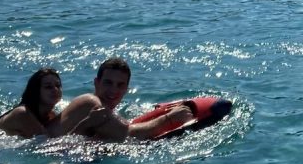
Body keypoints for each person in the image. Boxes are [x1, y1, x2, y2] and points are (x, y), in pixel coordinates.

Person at [45, 56, 193, 141]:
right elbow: (126, 134)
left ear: (127, 89)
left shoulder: (107, 111)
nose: (113, 90)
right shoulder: (92, 103)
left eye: (120, 85)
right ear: (96, 83)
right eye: (108, 83)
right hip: (43, 152)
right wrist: (169, 118)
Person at [0, 67, 64, 138]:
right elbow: (44, 140)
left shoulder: (51, 115)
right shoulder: (22, 113)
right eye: (48, 87)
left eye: (58, 85)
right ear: (36, 91)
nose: (55, 90)